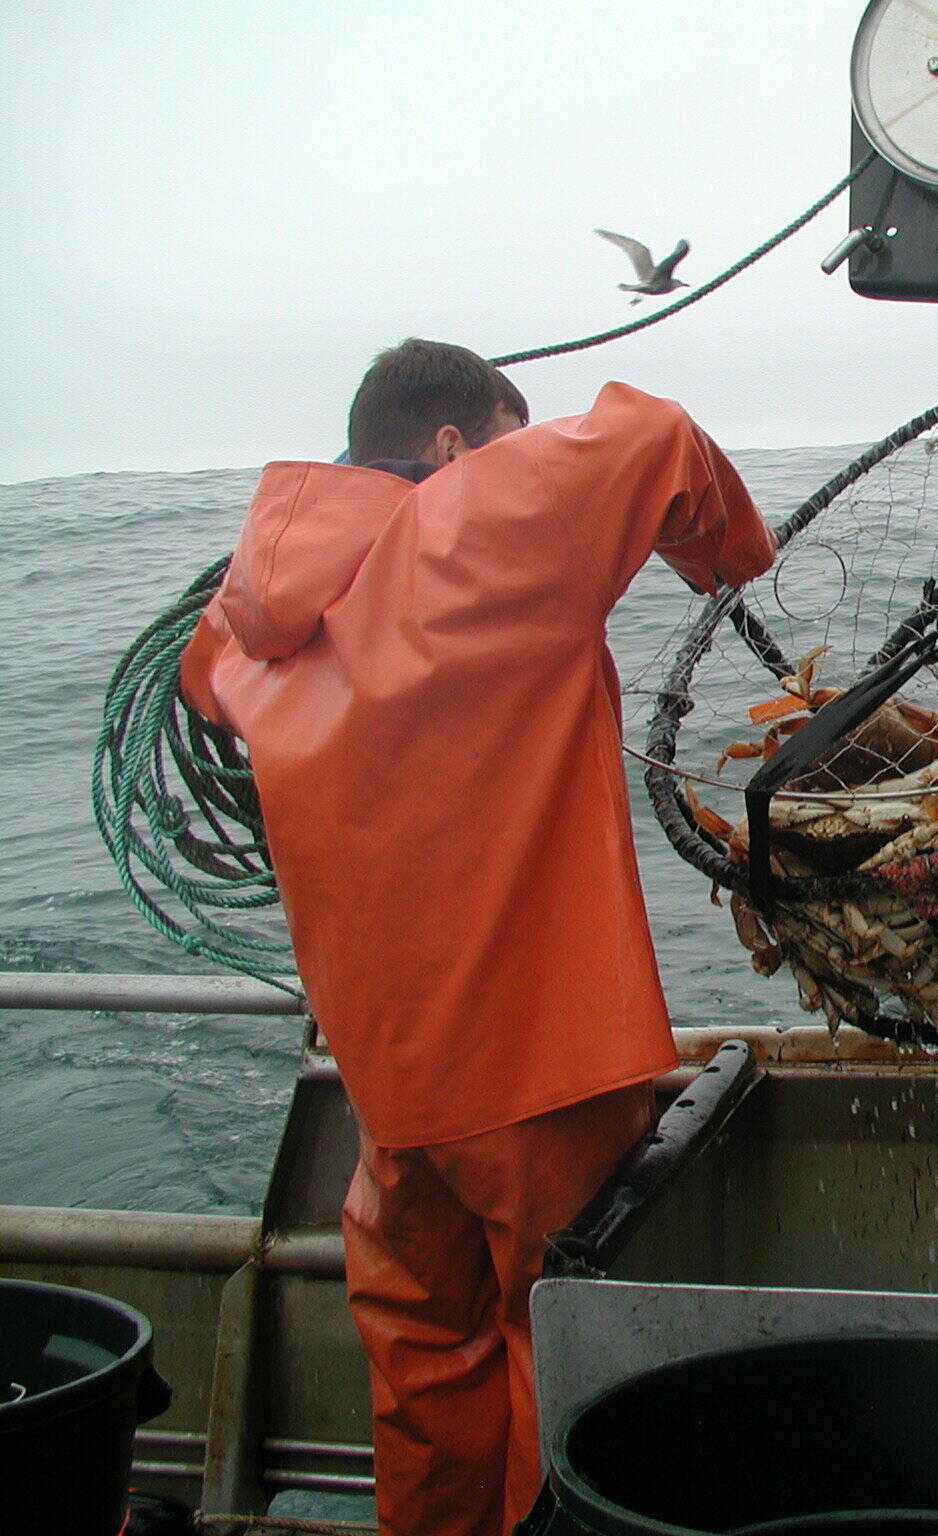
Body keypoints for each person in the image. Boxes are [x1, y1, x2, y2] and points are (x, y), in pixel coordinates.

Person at [181, 339, 777, 1536]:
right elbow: (656, 438)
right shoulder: (475, 523)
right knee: (564, 1359)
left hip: (392, 1100)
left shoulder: (241, 619)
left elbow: (202, 685)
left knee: (422, 1356)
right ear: (453, 450)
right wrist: (728, 559)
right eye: (507, 440)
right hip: (538, 1077)